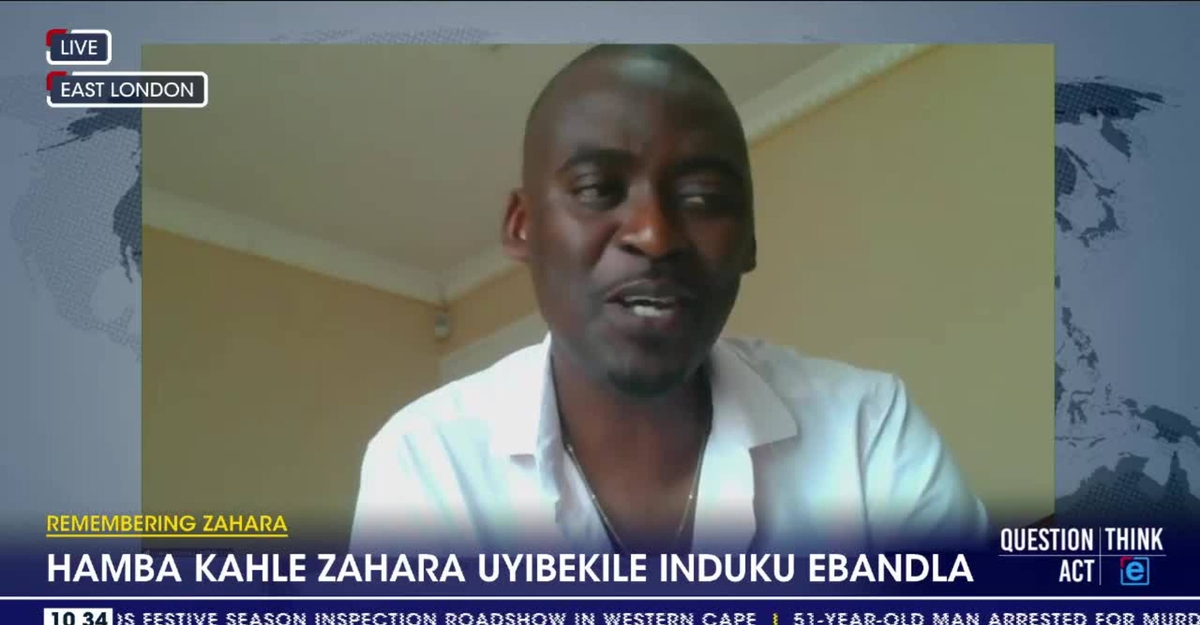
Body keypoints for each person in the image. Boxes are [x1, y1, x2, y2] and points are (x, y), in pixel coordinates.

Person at [350, 44, 989, 556]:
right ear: (523, 227)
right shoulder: (429, 463)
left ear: (749, 240)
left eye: (704, 198)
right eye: (598, 188)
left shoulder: (866, 432)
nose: (654, 235)